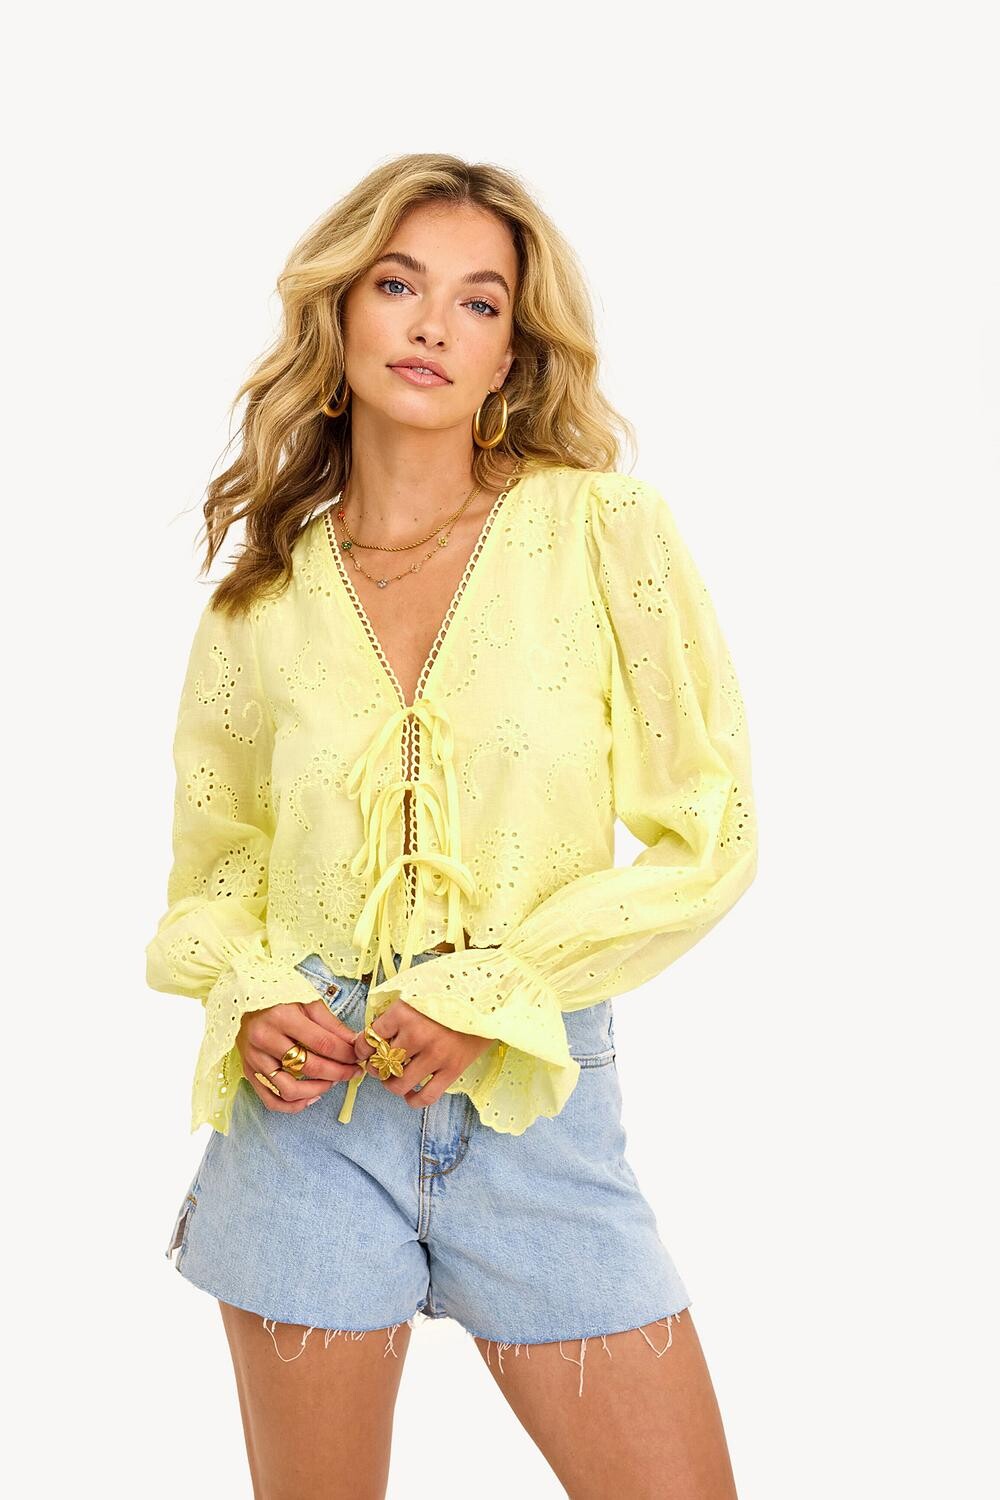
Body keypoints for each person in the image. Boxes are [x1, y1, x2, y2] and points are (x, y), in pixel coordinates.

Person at [147, 152, 758, 1500]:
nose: (432, 325)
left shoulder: (601, 528)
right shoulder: (260, 597)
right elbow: (215, 870)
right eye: (398, 284)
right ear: (339, 313)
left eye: (479, 303)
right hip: (306, 1114)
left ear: (511, 358)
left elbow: (709, 830)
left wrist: (505, 986)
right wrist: (250, 993)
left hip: (535, 1095)